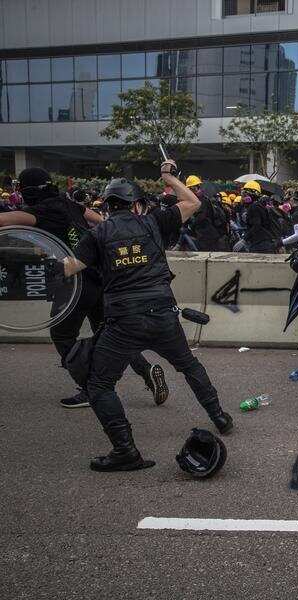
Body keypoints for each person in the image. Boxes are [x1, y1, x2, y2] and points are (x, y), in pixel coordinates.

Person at [61, 160, 233, 472]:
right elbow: (193, 201)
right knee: (188, 365)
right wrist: (168, 176)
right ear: (138, 204)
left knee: (99, 385)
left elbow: (70, 268)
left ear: (109, 207)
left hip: (123, 323)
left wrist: (45, 252)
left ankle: (125, 451)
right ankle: (219, 415)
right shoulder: (154, 221)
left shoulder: (98, 234)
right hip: (163, 315)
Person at [0, 167, 168, 409]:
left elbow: (6, 220)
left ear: (28, 190)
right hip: (98, 276)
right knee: (111, 333)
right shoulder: (69, 204)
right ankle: (146, 370)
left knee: (62, 335)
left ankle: (90, 389)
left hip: (73, 282)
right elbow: (101, 221)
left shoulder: (42, 210)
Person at [186, 175, 230, 251]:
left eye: (191, 188)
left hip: (207, 235)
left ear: (196, 187)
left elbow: (201, 217)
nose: (190, 191)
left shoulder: (202, 200)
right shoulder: (199, 199)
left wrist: (191, 225)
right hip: (206, 234)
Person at [243, 181, 283, 253]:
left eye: (245, 194)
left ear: (252, 195)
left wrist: (244, 239)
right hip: (263, 242)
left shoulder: (254, 207)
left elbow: (256, 225)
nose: (243, 197)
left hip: (260, 244)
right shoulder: (258, 206)